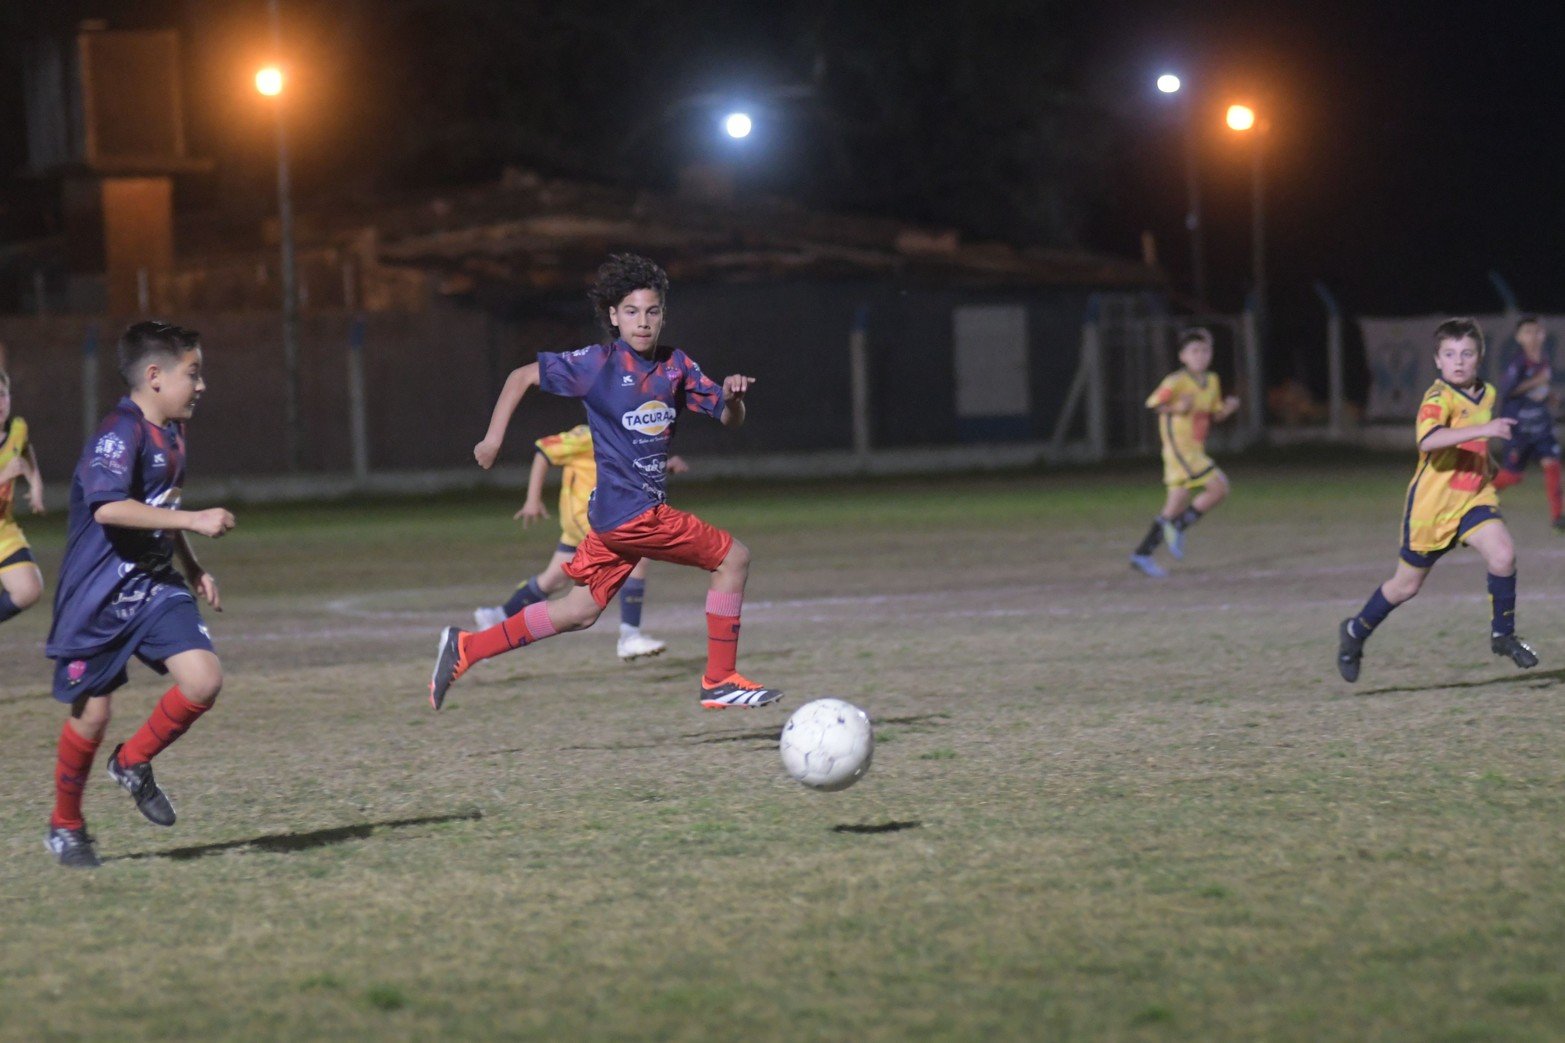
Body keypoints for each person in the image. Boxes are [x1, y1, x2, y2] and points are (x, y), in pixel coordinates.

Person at [429, 253, 780, 711]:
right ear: (613, 317)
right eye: (631, 312)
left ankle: (467, 648)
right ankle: (719, 680)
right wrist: (492, 439)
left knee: (579, 611)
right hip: (632, 514)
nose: (643, 322)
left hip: (619, 516)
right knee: (733, 560)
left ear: (663, 315)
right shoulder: (597, 364)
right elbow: (521, 377)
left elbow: (728, 418)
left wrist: (732, 399)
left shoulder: (677, 366)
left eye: (652, 312)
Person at [43, 321, 236, 868]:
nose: (201, 386)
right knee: (92, 715)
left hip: (153, 584)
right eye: (193, 374)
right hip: (97, 598)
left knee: (203, 680)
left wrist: (192, 566)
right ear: (155, 376)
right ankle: (65, 825)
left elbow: (161, 504)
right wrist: (196, 520)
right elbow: (107, 507)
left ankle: (132, 762)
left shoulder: (172, 433)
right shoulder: (117, 433)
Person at [1337, 317, 1538, 683]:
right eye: (1449, 354)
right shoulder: (1437, 397)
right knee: (1405, 587)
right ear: (1437, 361)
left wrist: (1488, 464)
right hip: (1432, 507)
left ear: (1480, 356)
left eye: (1466, 353)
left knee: (1503, 555)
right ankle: (1354, 632)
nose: (1458, 361)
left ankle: (1502, 635)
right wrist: (1485, 430)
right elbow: (1428, 440)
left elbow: (1473, 443)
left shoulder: (1487, 393)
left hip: (1474, 497)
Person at [471, 423, 685, 661]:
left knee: (552, 579)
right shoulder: (587, 435)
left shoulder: (618, 433)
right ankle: (630, 636)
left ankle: (498, 616)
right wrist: (532, 499)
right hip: (591, 518)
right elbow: (544, 451)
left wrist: (665, 466)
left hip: (587, 521)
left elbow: (624, 468)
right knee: (638, 558)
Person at [1129, 328, 1241, 577]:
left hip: (1193, 449)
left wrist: (1228, 408)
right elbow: (1154, 403)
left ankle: (1142, 554)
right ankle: (1178, 527)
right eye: (1194, 351)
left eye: (1205, 350)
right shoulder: (1176, 381)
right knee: (1219, 487)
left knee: (1175, 504)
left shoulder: (1211, 381)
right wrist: (1179, 406)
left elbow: (1214, 413)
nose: (1201, 355)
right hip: (1181, 449)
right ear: (1183, 356)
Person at [1491, 315, 1564, 529]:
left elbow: (1538, 389)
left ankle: (1558, 517)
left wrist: (1550, 396)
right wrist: (1536, 381)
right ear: (1519, 337)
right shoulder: (1518, 362)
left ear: (1543, 335)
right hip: (1520, 429)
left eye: (1537, 332)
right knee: (1513, 476)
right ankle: (1480, 493)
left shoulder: (1543, 359)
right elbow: (1507, 391)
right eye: (1528, 332)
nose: (1533, 336)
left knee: (1552, 465)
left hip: (1541, 425)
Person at [0, 367, 46, 627]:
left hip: (2, 528)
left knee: (28, 589)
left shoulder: (17, 429)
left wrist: (35, 483)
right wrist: (4, 475)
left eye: (2, 394)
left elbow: (25, 449)